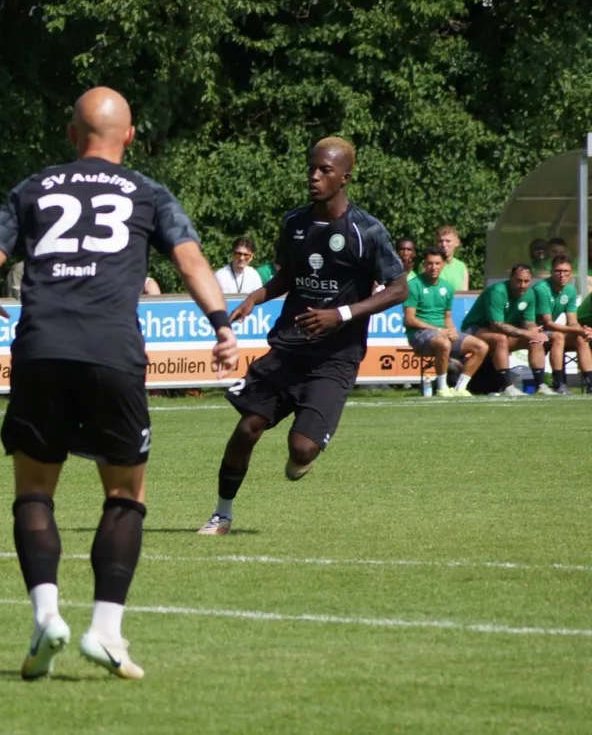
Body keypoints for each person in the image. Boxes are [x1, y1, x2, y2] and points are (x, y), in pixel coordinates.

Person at [0, 87, 238, 682]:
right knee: (124, 495)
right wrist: (221, 325)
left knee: (34, 491)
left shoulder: (33, 187)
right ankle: (106, 630)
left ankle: (46, 618)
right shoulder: (147, 192)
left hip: (41, 350)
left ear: (72, 135)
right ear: (131, 136)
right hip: (113, 354)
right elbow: (192, 262)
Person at [198, 137, 407, 538]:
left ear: (345, 177)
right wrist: (256, 297)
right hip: (289, 348)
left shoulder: (366, 230)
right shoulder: (295, 223)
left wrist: (340, 314)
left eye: (325, 170)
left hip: (336, 357)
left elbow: (399, 289)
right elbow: (288, 276)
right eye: (311, 168)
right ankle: (221, 515)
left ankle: (304, 452)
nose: (314, 176)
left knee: (302, 448)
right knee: (247, 427)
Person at [402, 247, 486, 397]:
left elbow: (447, 317)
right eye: (430, 263)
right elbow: (409, 320)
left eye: (437, 263)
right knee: (444, 343)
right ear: (424, 265)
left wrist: (452, 330)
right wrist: (439, 330)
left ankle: (460, 388)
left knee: (481, 346)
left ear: (443, 265)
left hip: (442, 332)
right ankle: (442, 388)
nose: (433, 267)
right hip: (419, 334)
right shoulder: (413, 285)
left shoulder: (447, 287)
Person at [459, 264, 546, 396]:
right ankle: (507, 387)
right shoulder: (497, 291)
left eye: (526, 281)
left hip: (504, 331)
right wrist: (527, 333)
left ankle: (541, 386)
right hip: (474, 328)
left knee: (535, 340)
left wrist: (534, 332)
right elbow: (496, 325)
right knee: (500, 339)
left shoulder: (530, 294)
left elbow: (528, 322)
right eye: (518, 280)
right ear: (510, 277)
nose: (522, 285)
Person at [533, 255, 590, 394]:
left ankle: (590, 383)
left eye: (566, 271)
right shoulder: (542, 288)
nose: (562, 275)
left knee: (581, 338)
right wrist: (579, 330)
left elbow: (572, 321)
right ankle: (559, 383)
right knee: (558, 336)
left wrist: (583, 330)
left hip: (546, 330)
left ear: (571, 273)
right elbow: (548, 323)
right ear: (551, 272)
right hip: (531, 329)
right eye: (558, 271)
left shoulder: (570, 290)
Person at [435, 225, 469, 290]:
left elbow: (464, 295)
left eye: (448, 241)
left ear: (457, 242)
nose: (444, 245)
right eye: (440, 241)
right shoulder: (428, 265)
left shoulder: (461, 267)